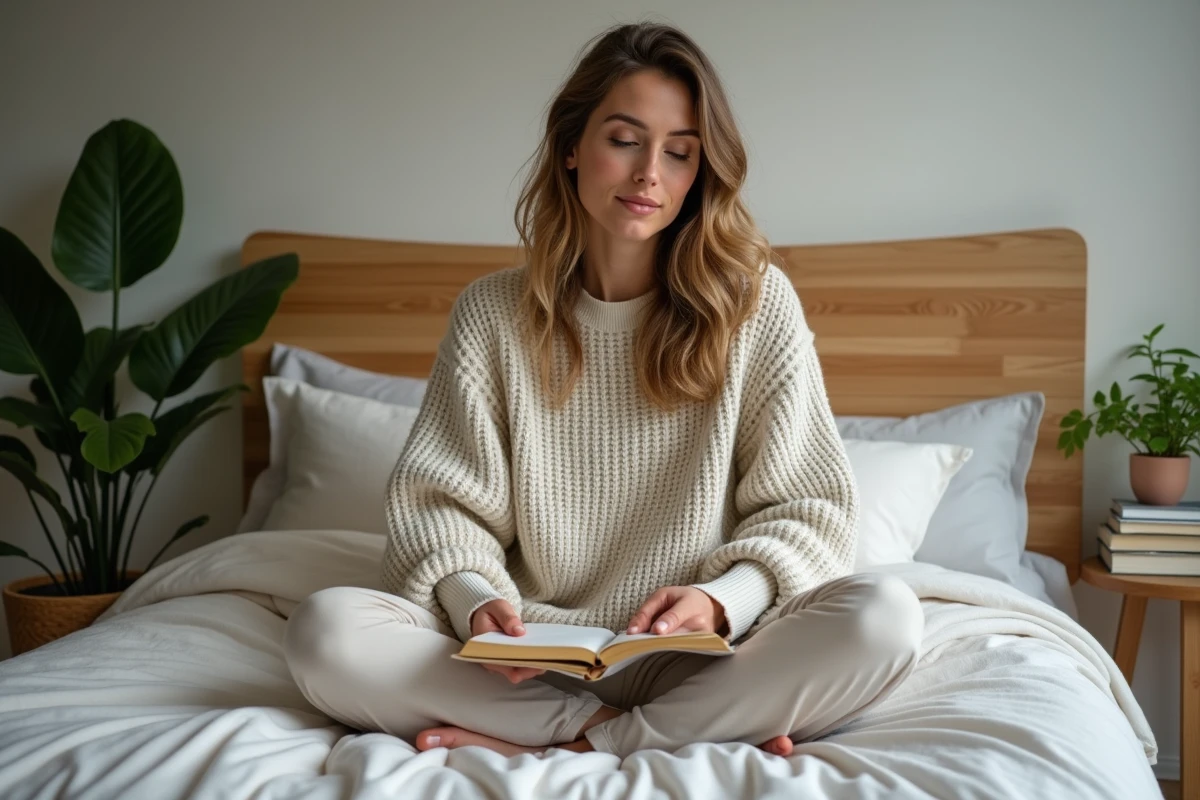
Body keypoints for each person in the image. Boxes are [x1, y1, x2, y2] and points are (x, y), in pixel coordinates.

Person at [282, 20, 924, 761]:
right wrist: (475, 606)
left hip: (704, 656)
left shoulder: (755, 305)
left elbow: (811, 511)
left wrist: (722, 601)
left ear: (699, 174)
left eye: (680, 153)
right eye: (625, 139)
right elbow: (441, 508)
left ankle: (594, 740)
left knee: (885, 616)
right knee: (324, 632)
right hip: (528, 667)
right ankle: (629, 733)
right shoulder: (492, 314)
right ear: (570, 147)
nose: (651, 172)